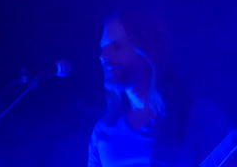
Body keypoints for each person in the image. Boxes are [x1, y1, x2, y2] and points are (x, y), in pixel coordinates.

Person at [89, 10, 234, 167]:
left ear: (145, 50)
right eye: (103, 48)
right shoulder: (103, 130)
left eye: (116, 47)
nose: (103, 57)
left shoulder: (198, 115)